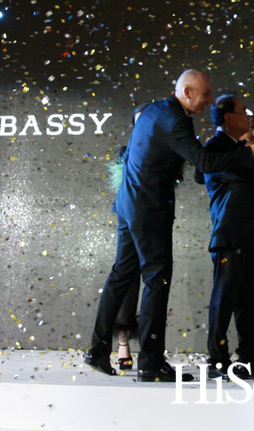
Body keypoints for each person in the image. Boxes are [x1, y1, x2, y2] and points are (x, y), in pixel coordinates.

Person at [85, 69, 254, 383]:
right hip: (148, 210)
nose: (209, 101)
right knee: (156, 280)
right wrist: (250, 150)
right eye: (205, 94)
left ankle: (97, 348)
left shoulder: (151, 110)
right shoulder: (176, 120)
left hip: (128, 204)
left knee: (122, 274)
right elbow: (205, 164)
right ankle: (150, 362)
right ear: (187, 92)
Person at [199, 93, 254, 379]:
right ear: (229, 118)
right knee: (225, 299)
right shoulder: (215, 146)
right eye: (244, 112)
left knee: (250, 302)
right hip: (229, 233)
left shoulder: (247, 148)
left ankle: (250, 359)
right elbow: (233, 173)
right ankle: (217, 361)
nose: (249, 117)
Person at [102, 104, 149, 373]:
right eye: (139, 121)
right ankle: (122, 342)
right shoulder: (126, 152)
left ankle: (151, 349)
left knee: (154, 277)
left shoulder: (163, 149)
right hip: (130, 216)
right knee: (127, 275)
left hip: (153, 217)